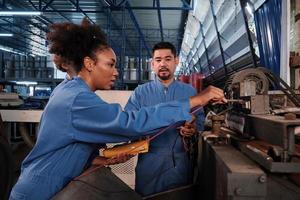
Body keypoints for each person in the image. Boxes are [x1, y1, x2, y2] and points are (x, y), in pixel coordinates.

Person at [9, 19, 226, 200]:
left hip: (48, 183)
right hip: (40, 190)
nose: (115, 72)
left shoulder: (69, 90)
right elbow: (131, 122)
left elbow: (63, 147)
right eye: (110, 64)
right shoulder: (76, 99)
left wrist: (97, 160)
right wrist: (195, 100)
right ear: (89, 63)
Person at [124, 41, 205, 196]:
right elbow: (128, 123)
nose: (163, 64)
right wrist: (138, 134)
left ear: (176, 61)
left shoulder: (190, 92)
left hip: (181, 164)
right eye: (158, 60)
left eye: (168, 59)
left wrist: (193, 128)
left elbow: (201, 122)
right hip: (149, 164)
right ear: (152, 64)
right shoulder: (140, 93)